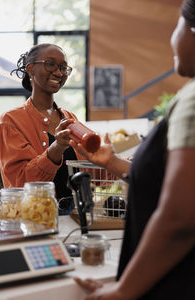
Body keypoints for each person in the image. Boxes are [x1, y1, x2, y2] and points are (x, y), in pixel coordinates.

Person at [71, 0, 195, 298]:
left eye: (175, 26)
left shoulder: (192, 100)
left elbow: (181, 216)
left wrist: (124, 290)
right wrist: (112, 161)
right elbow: (173, 185)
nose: (172, 39)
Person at [0, 43, 83, 214]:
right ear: (30, 69)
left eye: (63, 67)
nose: (59, 73)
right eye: (50, 64)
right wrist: (56, 148)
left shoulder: (70, 118)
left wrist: (128, 161)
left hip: (74, 217)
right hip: (34, 219)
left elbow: (91, 165)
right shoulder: (10, 120)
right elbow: (21, 184)